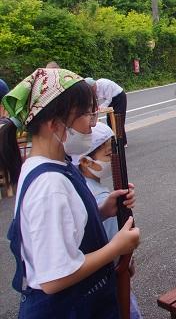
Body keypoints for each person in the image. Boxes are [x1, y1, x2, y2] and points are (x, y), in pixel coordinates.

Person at [0, 68, 139, 318]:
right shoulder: (49, 186)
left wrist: (101, 211)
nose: (94, 122)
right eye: (87, 114)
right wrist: (116, 248)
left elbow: (62, 228)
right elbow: (55, 278)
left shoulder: (53, 164)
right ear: (54, 124)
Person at [70, 122, 142, 319]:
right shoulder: (101, 197)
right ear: (85, 161)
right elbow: (117, 247)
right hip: (108, 279)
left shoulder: (79, 188)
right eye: (108, 155)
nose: (112, 160)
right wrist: (127, 262)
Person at [85, 77, 128, 146]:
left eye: (91, 89)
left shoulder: (105, 84)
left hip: (119, 97)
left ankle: (122, 142)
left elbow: (108, 100)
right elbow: (94, 100)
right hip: (110, 100)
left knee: (118, 120)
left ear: (93, 85)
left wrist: (99, 108)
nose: (91, 91)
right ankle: (113, 141)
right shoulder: (93, 89)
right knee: (110, 121)